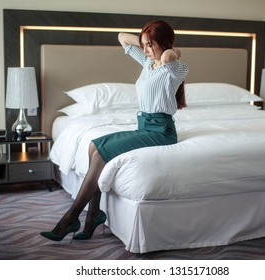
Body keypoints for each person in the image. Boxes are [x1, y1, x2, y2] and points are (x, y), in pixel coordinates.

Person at [40, 20, 189, 242]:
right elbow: (121, 36)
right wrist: (146, 42)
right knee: (93, 145)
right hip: (145, 126)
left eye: (151, 45)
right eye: (144, 45)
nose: (146, 50)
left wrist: (172, 50)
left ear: (164, 43)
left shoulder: (174, 68)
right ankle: (92, 216)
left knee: (100, 153)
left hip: (162, 131)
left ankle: (70, 218)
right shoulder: (147, 64)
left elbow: (168, 57)